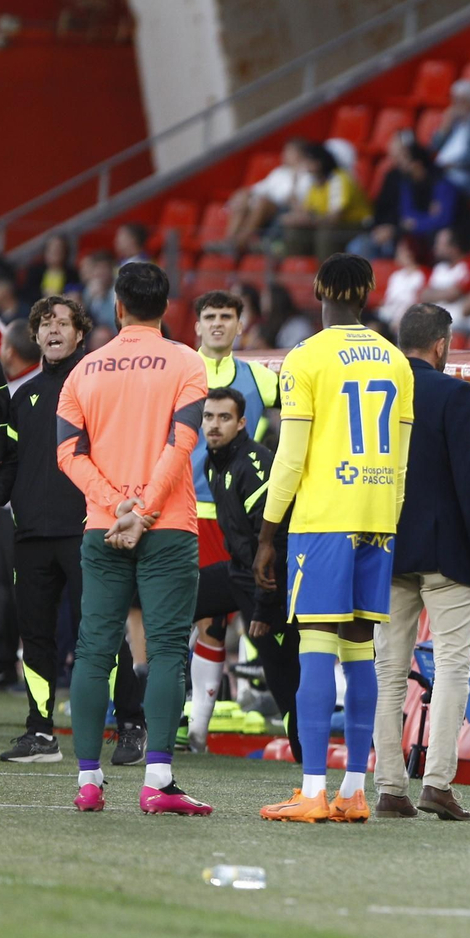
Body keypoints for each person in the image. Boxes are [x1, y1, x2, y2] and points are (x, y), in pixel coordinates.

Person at [254, 254, 415, 824]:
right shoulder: (398, 362)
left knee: (317, 647)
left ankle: (313, 791)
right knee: (360, 649)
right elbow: (399, 462)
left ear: (319, 290)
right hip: (377, 518)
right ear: (368, 294)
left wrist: (269, 534)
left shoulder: (305, 358)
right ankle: (354, 790)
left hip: (323, 518)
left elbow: (291, 456)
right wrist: (386, 517)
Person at [56, 261, 209, 815]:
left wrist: (115, 504)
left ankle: (90, 782)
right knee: (167, 649)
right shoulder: (187, 362)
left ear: (117, 306)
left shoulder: (85, 370)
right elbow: (182, 442)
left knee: (94, 651)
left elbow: (67, 455)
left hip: (103, 526)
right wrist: (143, 511)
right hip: (166, 526)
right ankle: (158, 782)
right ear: (167, 308)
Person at [0, 295, 146, 765]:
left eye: (63, 324)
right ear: (35, 334)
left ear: (80, 333)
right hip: (29, 535)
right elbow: (11, 465)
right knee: (37, 637)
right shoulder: (22, 396)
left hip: (89, 531)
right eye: (45, 323)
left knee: (101, 631)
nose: (53, 331)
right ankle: (41, 732)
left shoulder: (100, 385)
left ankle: (131, 722)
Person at [372, 305, 470, 821]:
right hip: (447, 551)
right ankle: (438, 783)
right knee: (451, 667)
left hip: (386, 545)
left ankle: (388, 786)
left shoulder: (378, 390)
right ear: (443, 345)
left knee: (388, 671)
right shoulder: (453, 394)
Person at [183, 289, 280, 749]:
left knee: (245, 615)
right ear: (196, 325)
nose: (218, 323)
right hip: (184, 509)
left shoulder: (263, 378)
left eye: (226, 316)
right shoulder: (178, 370)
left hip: (241, 517)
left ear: (241, 324)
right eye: (210, 316)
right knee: (200, 618)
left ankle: (238, 707)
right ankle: (196, 724)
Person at [199, 387, 302, 758]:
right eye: (209, 417)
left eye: (224, 418)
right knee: (170, 599)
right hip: (238, 573)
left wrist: (263, 609)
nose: (214, 425)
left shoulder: (254, 465)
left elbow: (273, 545)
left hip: (269, 583)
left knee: (283, 674)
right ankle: (179, 721)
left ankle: (307, 757)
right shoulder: (214, 460)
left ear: (242, 423)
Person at [221, 138, 313, 253]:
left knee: (262, 202)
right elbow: (260, 188)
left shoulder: (307, 173)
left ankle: (241, 241)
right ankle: (229, 240)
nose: (284, 155)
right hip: (265, 206)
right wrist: (245, 194)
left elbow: (297, 199)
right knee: (243, 197)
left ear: (300, 154)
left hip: (284, 209)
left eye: (289, 151)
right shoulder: (279, 172)